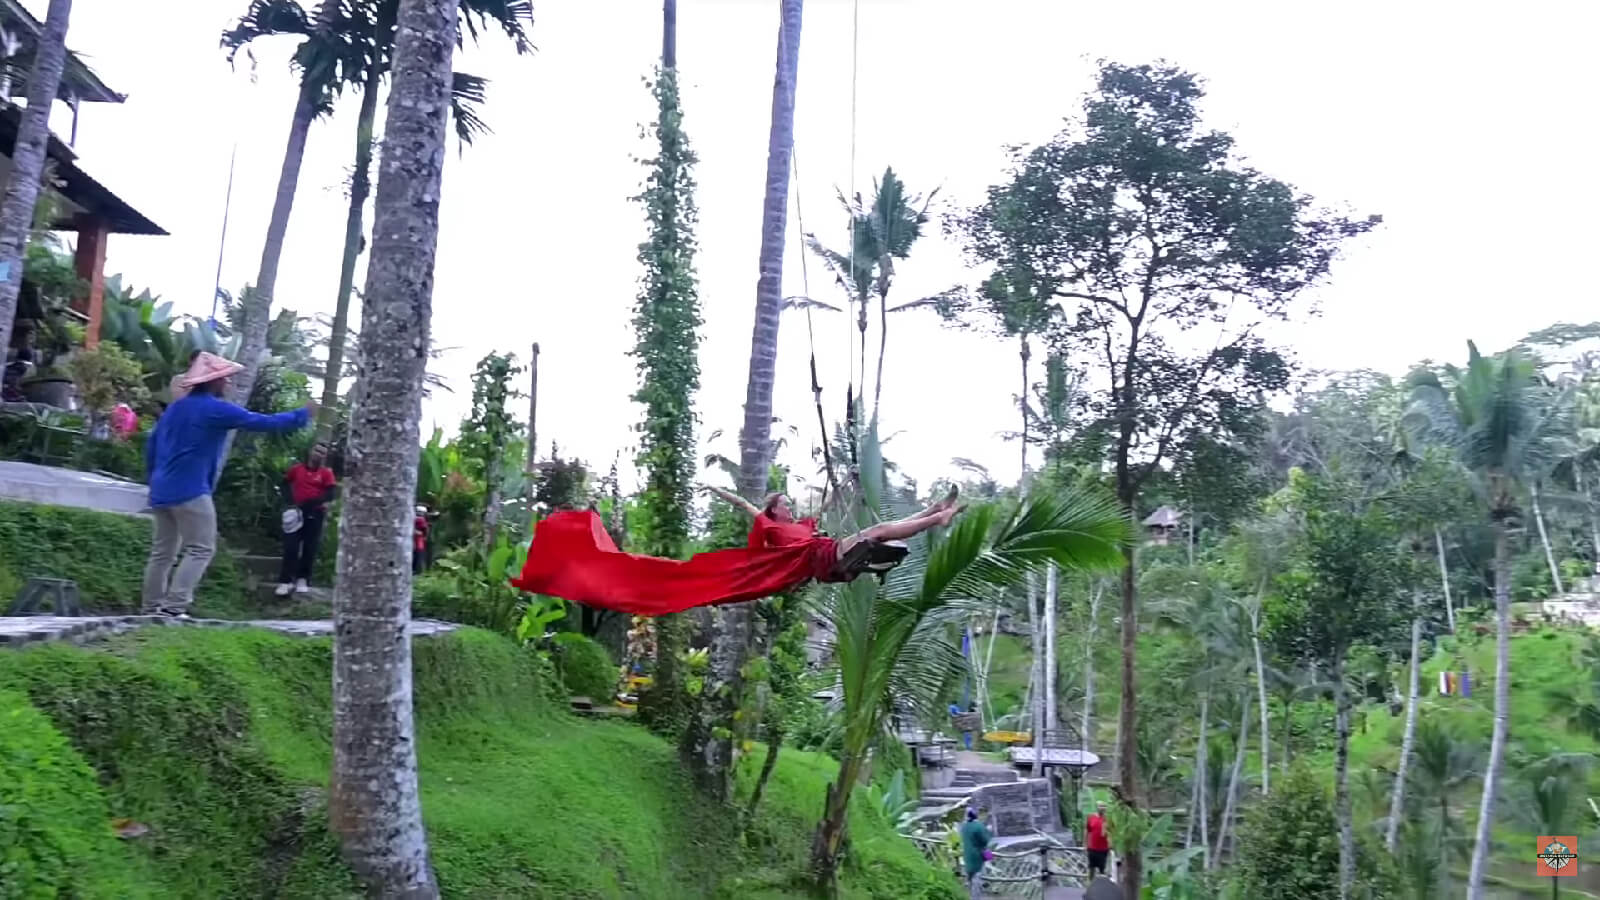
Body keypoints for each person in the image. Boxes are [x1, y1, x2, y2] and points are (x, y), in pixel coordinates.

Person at [509, 486, 964, 616]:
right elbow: (750, 506)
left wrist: (840, 487)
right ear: (774, 509)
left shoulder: (802, 528)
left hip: (823, 558)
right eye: (783, 501)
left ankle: (933, 511)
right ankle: (935, 516)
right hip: (821, 562)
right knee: (879, 532)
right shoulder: (771, 525)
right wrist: (726, 496)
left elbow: (823, 506)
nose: (788, 504)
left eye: (788, 502)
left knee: (881, 535)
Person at [142, 352, 312, 616]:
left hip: (162, 488)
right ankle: (174, 607)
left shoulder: (175, 408)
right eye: (227, 379)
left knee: (162, 553)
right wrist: (303, 414)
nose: (230, 384)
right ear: (214, 381)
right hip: (191, 489)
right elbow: (263, 422)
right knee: (201, 548)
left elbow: (151, 445)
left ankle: (150, 607)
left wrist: (153, 479)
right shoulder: (216, 409)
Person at [275, 442, 337, 595]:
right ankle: (285, 581)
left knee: (310, 547)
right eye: (317, 450)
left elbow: (330, 493)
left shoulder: (326, 473)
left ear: (325, 457)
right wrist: (289, 501)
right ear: (311, 451)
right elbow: (284, 483)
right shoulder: (296, 469)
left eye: (322, 453)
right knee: (291, 547)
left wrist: (315, 502)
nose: (319, 454)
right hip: (295, 512)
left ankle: (303, 579)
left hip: (315, 513)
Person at [959, 807, 993, 900]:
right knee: (978, 877)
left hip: (967, 854)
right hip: (978, 855)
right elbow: (985, 841)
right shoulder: (978, 826)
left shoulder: (964, 826)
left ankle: (970, 896)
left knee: (970, 876)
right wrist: (989, 831)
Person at [1085, 800, 1111, 878]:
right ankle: (1090, 887)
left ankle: (1100, 888)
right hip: (1092, 848)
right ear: (1097, 807)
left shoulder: (1108, 819)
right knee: (1091, 869)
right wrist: (1085, 844)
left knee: (1102, 871)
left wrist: (1110, 845)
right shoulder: (1091, 817)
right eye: (1100, 806)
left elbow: (1110, 834)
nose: (1102, 808)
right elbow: (1087, 831)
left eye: (1104, 806)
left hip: (1103, 849)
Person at [412, 505, 431, 575]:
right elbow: (425, 532)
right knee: (417, 560)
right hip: (417, 544)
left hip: (417, 544)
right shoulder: (420, 520)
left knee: (416, 560)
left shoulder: (419, 520)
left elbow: (424, 532)